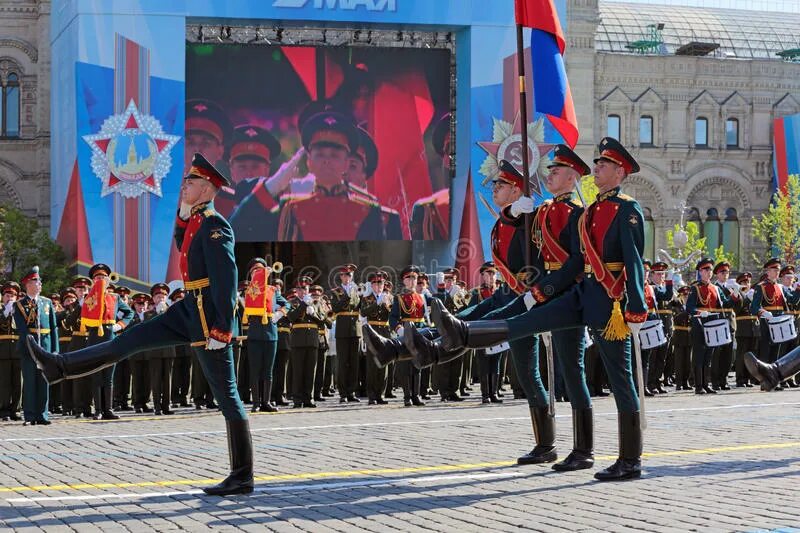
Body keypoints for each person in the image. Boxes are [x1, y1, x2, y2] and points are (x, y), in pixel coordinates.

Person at [412, 138, 647, 481]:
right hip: (578, 294)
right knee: (523, 322)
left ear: (619, 171)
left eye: (603, 165)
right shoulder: (592, 210)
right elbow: (520, 227)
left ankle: (628, 459)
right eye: (595, 165)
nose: (596, 169)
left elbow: (633, 262)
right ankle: (458, 334)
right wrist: (513, 210)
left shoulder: (625, 210)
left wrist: (636, 307)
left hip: (609, 303)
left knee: (619, 380)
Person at [25, 153, 254, 496]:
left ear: (207, 187)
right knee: (128, 341)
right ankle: (60, 366)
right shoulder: (196, 221)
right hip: (188, 309)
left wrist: (223, 329)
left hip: (208, 320)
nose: (184, 186)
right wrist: (181, 218)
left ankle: (242, 475)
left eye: (190, 182)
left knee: (228, 396)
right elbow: (186, 250)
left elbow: (226, 278)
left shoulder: (216, 224)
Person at [277, 111, 388, 240]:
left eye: (334, 155)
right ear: (309, 162)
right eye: (320, 154)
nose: (327, 161)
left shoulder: (368, 210)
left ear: (346, 163)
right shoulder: (291, 208)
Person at [80, 263, 133, 421]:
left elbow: (129, 312)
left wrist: (120, 325)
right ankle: (98, 410)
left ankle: (108, 409)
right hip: (95, 338)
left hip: (110, 336)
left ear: (108, 280)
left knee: (109, 376)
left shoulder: (115, 297)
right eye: (97, 278)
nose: (101, 280)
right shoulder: (89, 298)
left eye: (103, 277)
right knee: (97, 375)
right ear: (93, 281)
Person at [242, 258, 289, 413]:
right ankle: (256, 402)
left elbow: (286, 304)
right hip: (255, 333)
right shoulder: (250, 289)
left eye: (261, 269)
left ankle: (266, 401)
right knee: (255, 369)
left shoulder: (272, 290)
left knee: (268, 370)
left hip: (270, 332)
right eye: (256, 270)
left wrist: (279, 314)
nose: (259, 272)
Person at [685, 258, 737, 395]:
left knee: (709, 355)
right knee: (699, 355)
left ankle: (706, 384)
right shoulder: (694, 288)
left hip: (712, 325)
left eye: (710, 270)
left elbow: (725, 304)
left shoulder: (715, 288)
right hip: (699, 324)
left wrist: (735, 295)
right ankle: (698, 385)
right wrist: (699, 312)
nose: (709, 273)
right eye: (706, 270)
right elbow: (689, 307)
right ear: (700, 272)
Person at [14, 266, 58, 426]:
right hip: (28, 349)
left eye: (39, 280)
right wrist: (32, 346)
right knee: (30, 382)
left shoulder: (47, 303)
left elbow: (54, 328)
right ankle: (30, 415)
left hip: (45, 348)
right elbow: (22, 329)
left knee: (44, 381)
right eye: (36, 280)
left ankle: (43, 415)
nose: (39, 283)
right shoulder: (19, 305)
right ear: (27, 283)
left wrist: (55, 350)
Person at [749, 258, 800, 390]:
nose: (777, 272)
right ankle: (763, 381)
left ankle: (774, 380)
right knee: (766, 350)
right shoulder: (761, 287)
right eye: (774, 270)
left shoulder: (781, 287)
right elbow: (753, 307)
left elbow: (793, 300)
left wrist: (799, 288)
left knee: (777, 351)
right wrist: (762, 312)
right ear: (768, 271)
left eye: (778, 270)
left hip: (779, 322)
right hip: (767, 321)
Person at [227, 125, 283, 241]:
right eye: (242, 167)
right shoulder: (219, 205)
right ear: (231, 170)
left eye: (255, 167)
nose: (249, 173)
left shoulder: (280, 209)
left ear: (267, 170)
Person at [287, 277, 325, 408]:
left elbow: (324, 321)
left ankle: (309, 398)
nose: (302, 291)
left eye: (305, 288)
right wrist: (303, 305)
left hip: (312, 340)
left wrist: (313, 313)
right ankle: (297, 399)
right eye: (300, 288)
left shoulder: (316, 302)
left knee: (310, 371)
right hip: (298, 340)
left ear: (308, 289)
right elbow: (291, 317)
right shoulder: (292, 302)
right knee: (298, 371)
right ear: (296, 290)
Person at [329, 264, 362, 403]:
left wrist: (361, 295)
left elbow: (360, 307)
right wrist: (346, 296)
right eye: (344, 275)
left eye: (349, 275)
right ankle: (343, 392)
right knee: (343, 362)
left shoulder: (357, 290)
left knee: (354, 362)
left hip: (355, 329)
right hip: (342, 329)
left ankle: (352, 391)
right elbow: (335, 308)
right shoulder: (336, 291)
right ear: (341, 276)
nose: (347, 277)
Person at [359, 272, 391, 405]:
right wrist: (377, 303)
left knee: (384, 364)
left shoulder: (389, 297)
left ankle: (380, 394)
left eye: (381, 283)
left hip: (384, 331)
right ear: (372, 285)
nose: (379, 286)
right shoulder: (366, 298)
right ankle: (371, 395)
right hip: (372, 332)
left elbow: (393, 314)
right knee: (372, 364)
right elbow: (363, 312)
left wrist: (386, 304)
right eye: (376, 283)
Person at [711, 261, 739, 391]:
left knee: (728, 356)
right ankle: (715, 380)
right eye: (723, 272)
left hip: (730, 324)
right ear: (717, 274)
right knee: (717, 354)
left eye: (727, 272)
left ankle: (724, 379)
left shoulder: (730, 287)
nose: (726, 275)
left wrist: (737, 291)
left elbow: (739, 305)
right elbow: (722, 304)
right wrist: (731, 294)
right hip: (719, 323)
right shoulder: (714, 287)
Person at [0, 281, 21, 421]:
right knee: (4, 383)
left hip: (18, 351)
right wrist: (6, 311)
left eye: (13, 295)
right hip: (2, 350)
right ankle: (4, 410)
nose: (10, 298)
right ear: (2, 297)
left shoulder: (21, 312)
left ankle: (16, 410)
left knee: (18, 383)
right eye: (7, 295)